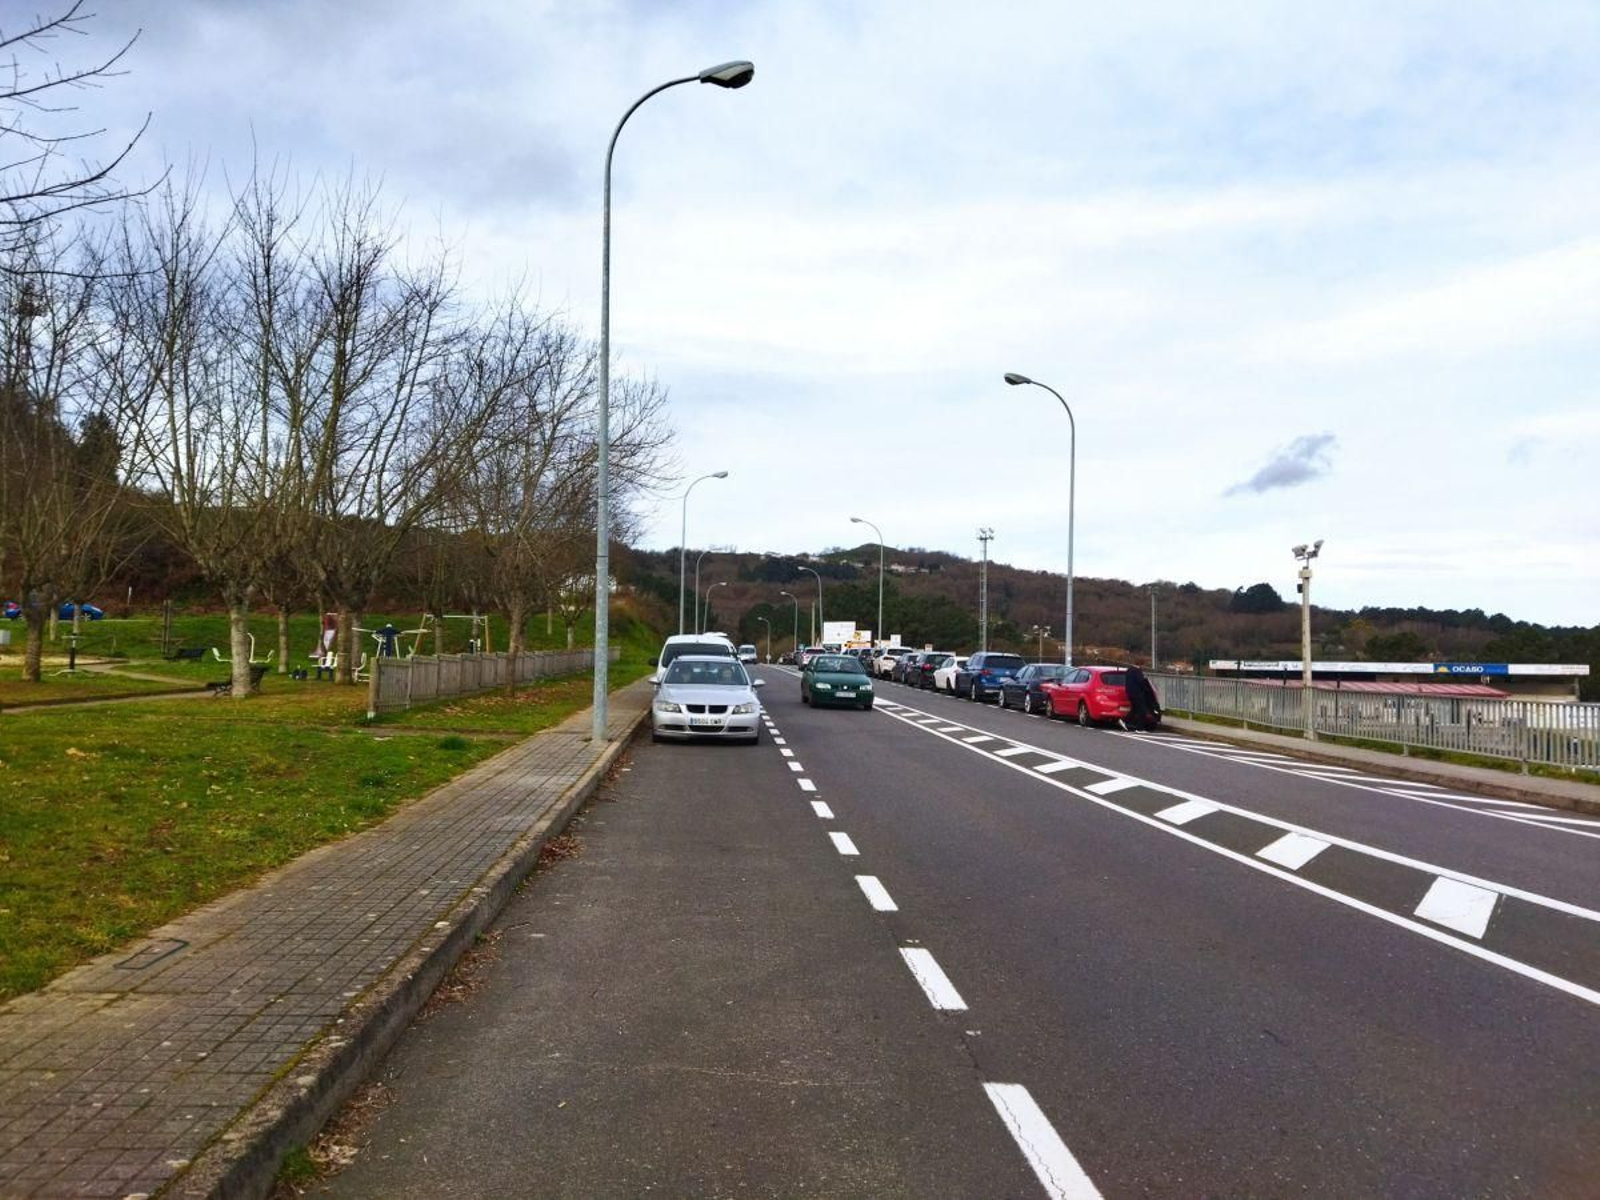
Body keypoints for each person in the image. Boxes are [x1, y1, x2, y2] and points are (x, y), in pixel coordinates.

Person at [1124, 665, 1162, 731]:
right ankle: (1139, 728)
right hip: (1137, 693)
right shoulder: (1137, 671)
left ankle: (1125, 722)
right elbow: (1141, 681)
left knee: (1134, 709)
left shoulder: (1129, 670)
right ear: (1141, 664)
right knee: (1141, 711)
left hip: (1130, 693)